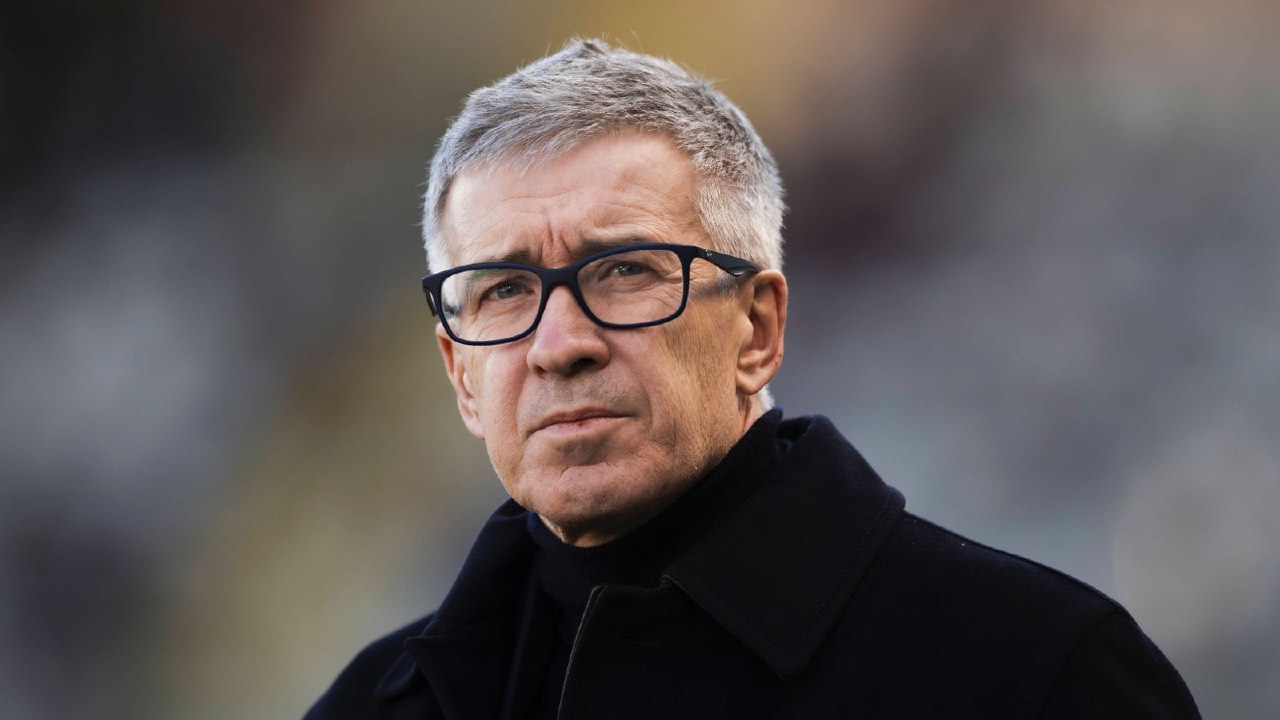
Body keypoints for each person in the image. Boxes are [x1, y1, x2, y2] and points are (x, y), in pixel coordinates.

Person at [306, 39, 1199, 719]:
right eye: (504, 290)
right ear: (461, 374)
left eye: (624, 270)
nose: (558, 344)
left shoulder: (1039, 675)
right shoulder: (370, 706)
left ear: (757, 329)